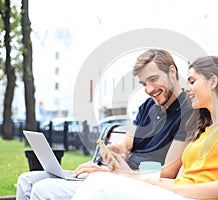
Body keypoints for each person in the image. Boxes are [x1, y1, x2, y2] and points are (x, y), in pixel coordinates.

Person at [71, 56, 218, 200]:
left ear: (213, 81)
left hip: (189, 197)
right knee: (101, 181)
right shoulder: (203, 130)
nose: (188, 88)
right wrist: (123, 174)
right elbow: (179, 180)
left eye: (193, 81)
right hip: (178, 195)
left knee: (100, 184)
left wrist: (175, 190)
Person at [16, 49, 193, 200]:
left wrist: (113, 173)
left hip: (132, 183)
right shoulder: (148, 106)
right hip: (115, 175)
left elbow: (168, 172)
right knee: (27, 180)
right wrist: (114, 152)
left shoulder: (189, 109)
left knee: (43, 189)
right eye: (144, 83)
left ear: (172, 72)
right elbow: (125, 143)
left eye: (153, 79)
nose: (148, 89)